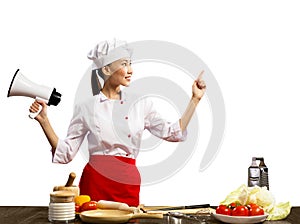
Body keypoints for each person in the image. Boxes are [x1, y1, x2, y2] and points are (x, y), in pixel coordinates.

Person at [29, 39, 206, 207]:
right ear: (106, 70)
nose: (130, 70)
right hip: (95, 183)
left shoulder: (141, 104)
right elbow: (66, 153)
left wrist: (195, 100)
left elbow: (172, 132)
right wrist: (44, 121)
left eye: (130, 63)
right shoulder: (86, 107)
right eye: (124, 64)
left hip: (127, 183)